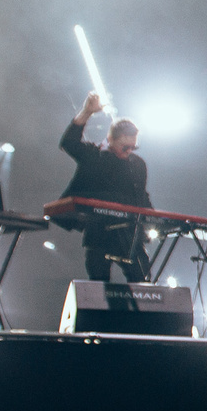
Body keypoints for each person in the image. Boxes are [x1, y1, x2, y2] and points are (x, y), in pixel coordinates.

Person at [58, 92, 151, 281]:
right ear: (110, 139)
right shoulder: (94, 155)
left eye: (133, 147)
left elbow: (141, 195)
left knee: (143, 282)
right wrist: (86, 112)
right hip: (100, 231)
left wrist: (155, 219)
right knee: (99, 285)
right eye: (125, 147)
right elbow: (68, 143)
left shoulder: (137, 164)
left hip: (130, 234)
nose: (129, 151)